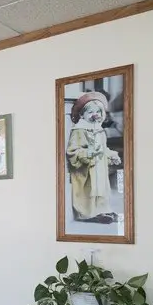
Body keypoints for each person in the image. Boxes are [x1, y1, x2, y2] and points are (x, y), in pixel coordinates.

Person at [66, 92, 121, 224]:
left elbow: (103, 148)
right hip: (87, 168)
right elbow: (73, 151)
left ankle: (102, 210)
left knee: (101, 189)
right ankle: (88, 213)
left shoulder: (99, 130)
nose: (94, 115)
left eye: (98, 112)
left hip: (99, 167)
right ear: (82, 115)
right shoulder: (80, 130)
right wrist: (88, 153)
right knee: (89, 191)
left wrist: (111, 155)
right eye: (90, 112)